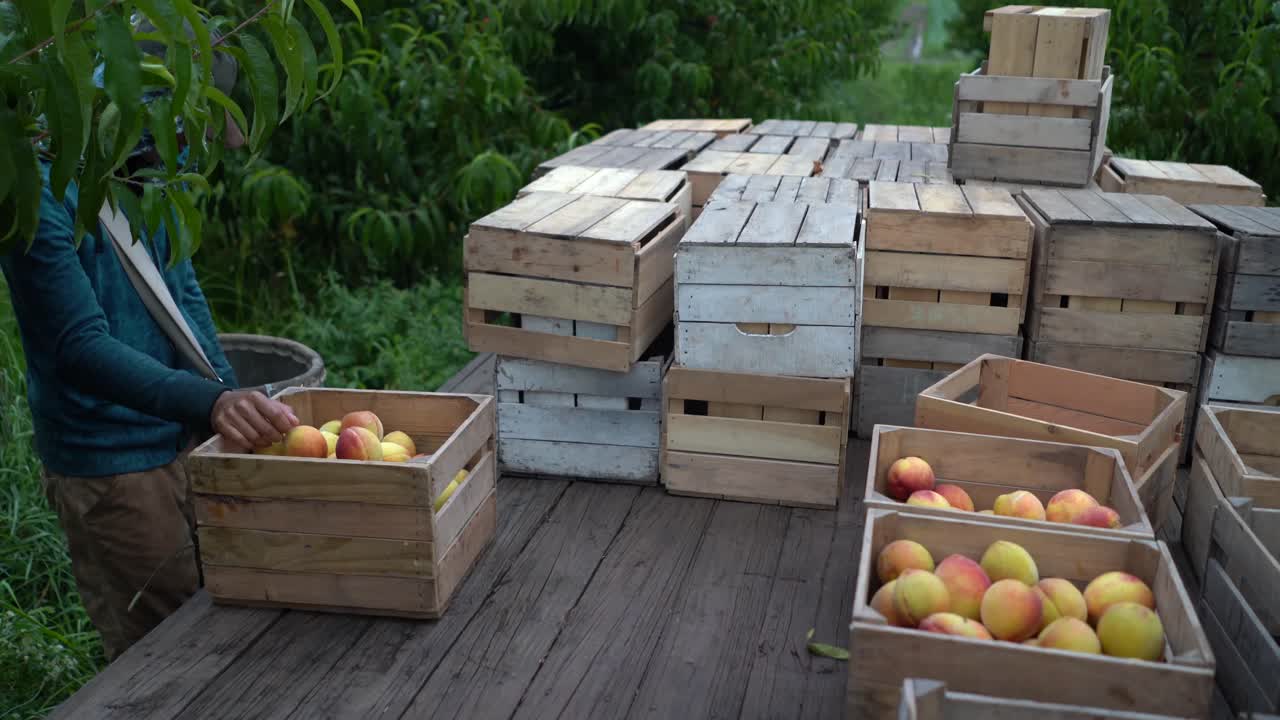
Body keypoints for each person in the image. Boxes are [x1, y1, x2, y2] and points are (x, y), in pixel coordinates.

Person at [0, 21, 297, 661]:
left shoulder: (139, 169)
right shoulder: (33, 192)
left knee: (220, 630)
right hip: (113, 467)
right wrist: (208, 404)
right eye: (184, 130)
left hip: (179, 437)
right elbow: (79, 348)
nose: (186, 149)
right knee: (166, 661)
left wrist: (223, 396)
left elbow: (180, 295)